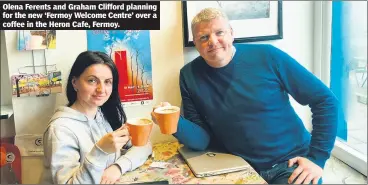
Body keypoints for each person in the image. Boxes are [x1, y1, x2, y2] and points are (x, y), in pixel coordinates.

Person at [154, 8, 339, 184]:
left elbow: (325, 100)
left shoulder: (268, 56)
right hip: (238, 167)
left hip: (290, 163)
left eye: (219, 33)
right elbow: (202, 140)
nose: (213, 41)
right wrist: (172, 121)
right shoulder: (189, 75)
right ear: (195, 42)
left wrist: (317, 159)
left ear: (231, 33)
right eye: (204, 37)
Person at [42, 51, 152, 184]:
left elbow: (144, 145)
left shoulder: (105, 115)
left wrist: (117, 168)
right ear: (75, 82)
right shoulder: (60, 129)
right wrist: (100, 152)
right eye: (92, 80)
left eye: (107, 82)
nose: (101, 89)